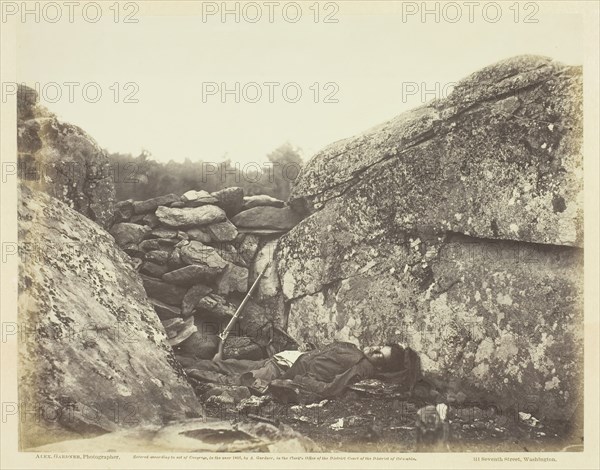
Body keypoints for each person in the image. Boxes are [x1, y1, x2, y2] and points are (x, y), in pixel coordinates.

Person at [183, 341, 421, 403]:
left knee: (229, 377)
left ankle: (179, 374)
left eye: (380, 355)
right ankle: (172, 362)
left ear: (381, 366)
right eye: (380, 347)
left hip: (283, 370)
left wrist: (300, 379)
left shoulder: (362, 367)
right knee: (226, 364)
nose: (375, 350)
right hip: (283, 359)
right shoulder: (356, 351)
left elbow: (331, 390)